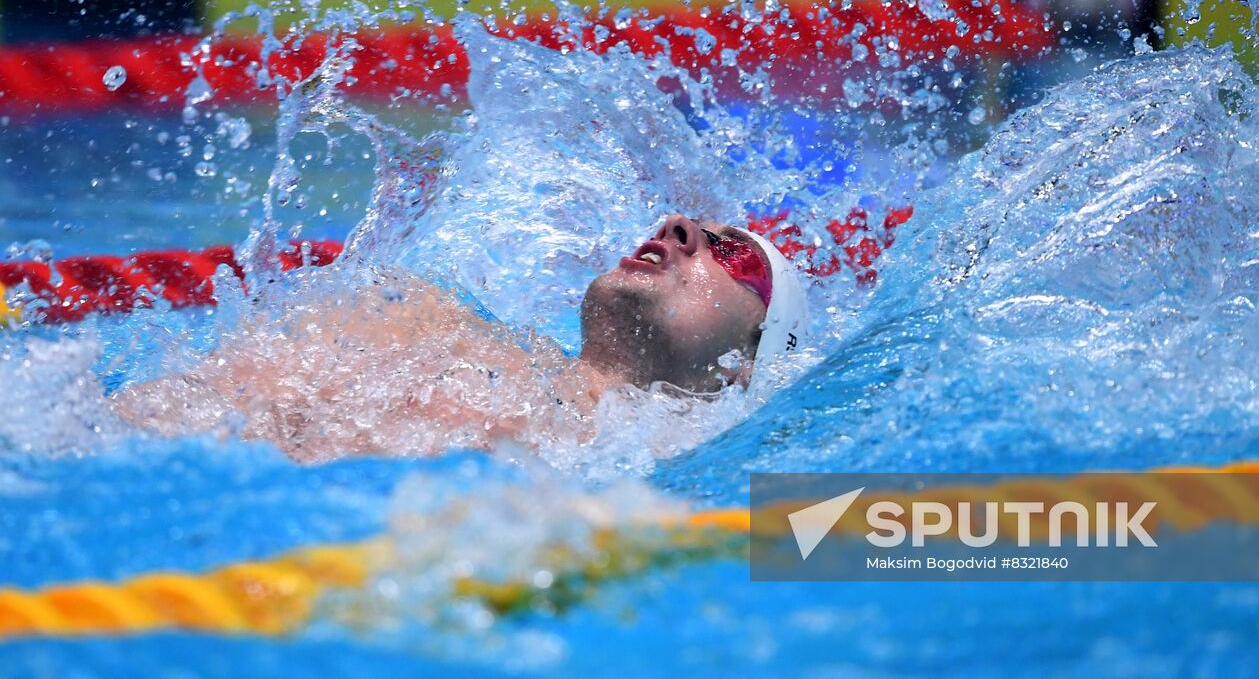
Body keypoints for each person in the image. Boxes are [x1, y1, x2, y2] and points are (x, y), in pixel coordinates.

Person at [114, 214, 807, 461]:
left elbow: (897, 539)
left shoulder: (689, 463)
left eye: (734, 255)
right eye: (686, 227)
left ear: (744, 365)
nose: (676, 227)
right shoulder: (416, 319)